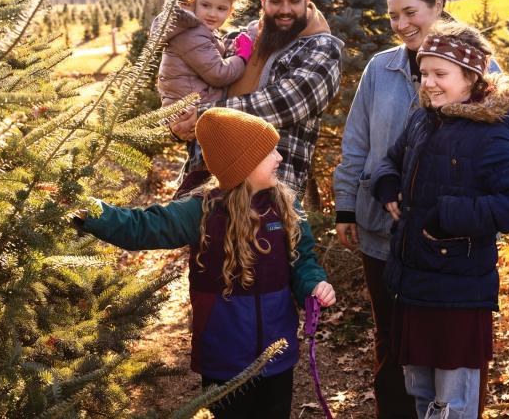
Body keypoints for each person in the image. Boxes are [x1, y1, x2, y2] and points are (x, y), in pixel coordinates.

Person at [76, 107, 336, 419]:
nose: (279, 158)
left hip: (277, 354)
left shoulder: (285, 205)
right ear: (242, 164)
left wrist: (314, 285)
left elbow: (303, 259)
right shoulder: (202, 210)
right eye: (268, 152)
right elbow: (142, 227)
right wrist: (87, 210)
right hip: (224, 355)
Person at [371, 22, 509, 419]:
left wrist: (448, 215)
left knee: (453, 404)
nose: (428, 83)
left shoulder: (488, 135)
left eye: (440, 74)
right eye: (424, 73)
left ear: (471, 78)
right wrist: (387, 186)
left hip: (458, 295)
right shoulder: (422, 120)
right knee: (419, 391)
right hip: (414, 286)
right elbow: (390, 162)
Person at [333, 0, 478, 419]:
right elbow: (357, 141)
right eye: (393, 16)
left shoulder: (479, 69)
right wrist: (345, 206)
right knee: (391, 339)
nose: (400, 25)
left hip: (446, 242)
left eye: (410, 12)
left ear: (439, 6)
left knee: (450, 346)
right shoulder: (381, 67)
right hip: (382, 230)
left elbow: (497, 159)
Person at [171, 0, 343, 197]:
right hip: (205, 185)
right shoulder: (238, 40)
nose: (285, 10)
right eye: (275, 2)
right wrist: (181, 120)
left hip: (270, 196)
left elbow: (287, 102)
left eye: (294, 1)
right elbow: (197, 87)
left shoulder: (322, 47)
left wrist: (203, 116)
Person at [154, 0, 254, 171]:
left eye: (221, 8)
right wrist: (242, 56)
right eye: (206, 5)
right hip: (190, 112)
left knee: (204, 168)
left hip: (192, 108)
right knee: (205, 173)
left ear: (230, 11)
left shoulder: (200, 31)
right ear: (193, 2)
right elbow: (218, 73)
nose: (212, 13)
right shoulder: (192, 33)